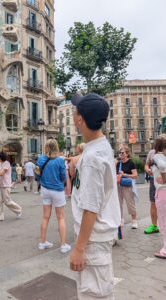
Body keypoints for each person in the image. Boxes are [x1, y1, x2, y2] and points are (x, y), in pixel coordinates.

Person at [70, 93, 121, 299]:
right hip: (98, 237)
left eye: (75, 111)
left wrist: (79, 249)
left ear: (80, 119)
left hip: (92, 240)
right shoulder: (101, 146)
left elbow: (91, 207)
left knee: (93, 294)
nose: (73, 114)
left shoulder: (92, 158)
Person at [37, 139, 71, 254]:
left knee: (45, 217)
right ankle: (63, 245)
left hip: (45, 189)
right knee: (60, 217)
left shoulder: (41, 159)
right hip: (57, 190)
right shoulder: (59, 161)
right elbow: (63, 177)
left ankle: (42, 242)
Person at [0, 152, 22, 222]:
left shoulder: (7, 163)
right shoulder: (0, 163)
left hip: (6, 185)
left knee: (7, 201)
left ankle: (18, 210)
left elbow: (1, 173)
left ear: (1, 157)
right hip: (0, 185)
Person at [152, 135, 166, 259]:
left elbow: (163, 167)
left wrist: (164, 179)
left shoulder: (158, 156)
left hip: (163, 193)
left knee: (165, 223)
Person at [116, 146, 139, 229]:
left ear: (127, 154)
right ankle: (121, 219)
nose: (120, 154)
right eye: (119, 153)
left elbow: (135, 175)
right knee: (119, 203)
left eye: (122, 153)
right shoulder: (119, 163)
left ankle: (134, 221)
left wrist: (125, 174)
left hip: (128, 186)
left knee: (130, 203)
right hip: (119, 185)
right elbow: (116, 174)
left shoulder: (131, 163)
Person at [144, 149, 159, 234]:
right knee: (153, 202)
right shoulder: (152, 152)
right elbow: (146, 165)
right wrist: (147, 169)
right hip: (154, 180)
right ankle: (154, 226)